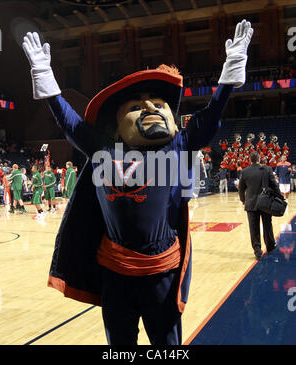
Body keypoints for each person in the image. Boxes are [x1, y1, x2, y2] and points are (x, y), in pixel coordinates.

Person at [22, 20, 253, 345]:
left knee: (168, 346)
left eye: (159, 106)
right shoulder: (104, 150)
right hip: (116, 275)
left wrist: (230, 75)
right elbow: (70, 124)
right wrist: (47, 81)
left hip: (164, 274)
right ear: (116, 130)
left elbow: (210, 117)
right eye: (136, 107)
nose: (151, 109)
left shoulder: (176, 146)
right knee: (120, 345)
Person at [238, 152, 281, 260]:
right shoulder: (267, 169)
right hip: (265, 202)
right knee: (267, 224)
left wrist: (243, 200)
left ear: (249, 160)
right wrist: (279, 197)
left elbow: (241, 188)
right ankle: (270, 246)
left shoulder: (244, 171)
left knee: (254, 227)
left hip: (251, 203)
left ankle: (257, 250)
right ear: (259, 159)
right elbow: (274, 185)